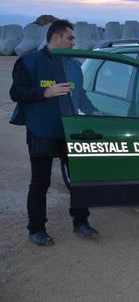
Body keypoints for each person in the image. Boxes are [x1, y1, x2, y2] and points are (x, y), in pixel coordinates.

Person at [9, 19, 99, 246]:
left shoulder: (74, 66)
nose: (73, 42)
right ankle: (36, 229)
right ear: (56, 37)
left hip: (72, 132)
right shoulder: (29, 62)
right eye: (70, 38)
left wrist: (95, 112)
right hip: (42, 131)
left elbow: (81, 95)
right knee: (40, 183)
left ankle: (81, 222)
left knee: (80, 179)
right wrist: (44, 92)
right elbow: (16, 92)